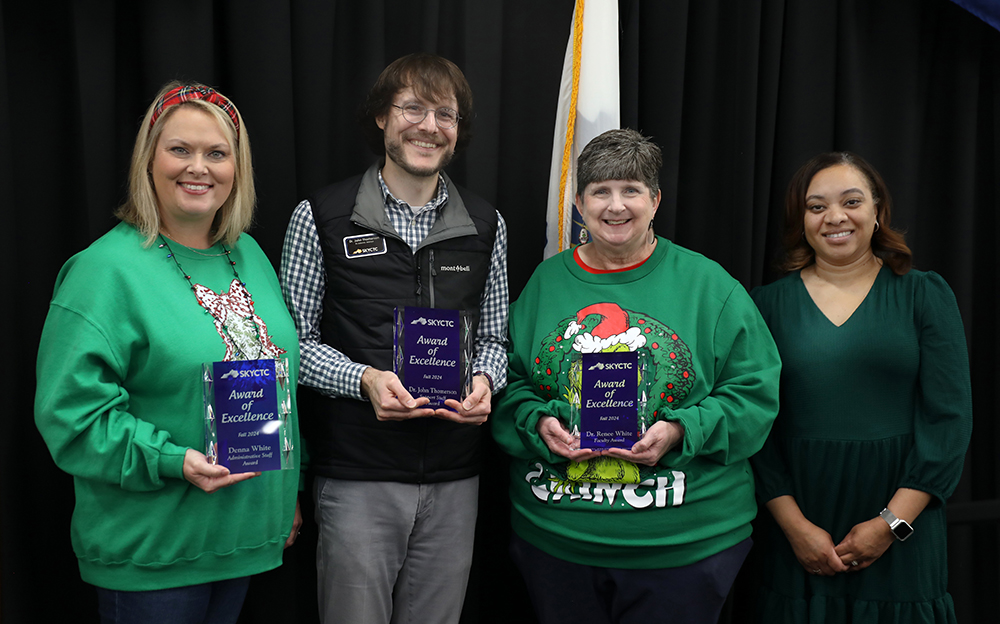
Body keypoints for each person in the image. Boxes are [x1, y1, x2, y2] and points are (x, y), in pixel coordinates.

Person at [34, 81, 302, 624]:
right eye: (179, 149)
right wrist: (170, 459)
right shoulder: (103, 271)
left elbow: (276, 385)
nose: (198, 167)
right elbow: (72, 418)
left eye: (216, 153)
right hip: (153, 553)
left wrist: (281, 494)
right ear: (149, 159)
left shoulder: (246, 254)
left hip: (241, 541)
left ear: (237, 167)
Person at [492, 128, 781, 624]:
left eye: (631, 189)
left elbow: (755, 395)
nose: (616, 205)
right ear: (579, 205)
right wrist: (538, 423)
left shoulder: (708, 285)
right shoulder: (546, 282)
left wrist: (679, 430)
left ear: (655, 200)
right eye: (600, 191)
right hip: (559, 540)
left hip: (683, 546)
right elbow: (509, 383)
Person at [280, 53, 508, 624]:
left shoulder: (486, 225)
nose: (429, 126)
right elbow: (291, 345)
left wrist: (485, 380)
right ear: (382, 117)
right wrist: (364, 380)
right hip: (358, 472)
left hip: (456, 475)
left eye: (445, 114)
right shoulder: (321, 217)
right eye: (412, 108)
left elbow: (497, 340)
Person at [750, 152, 973, 622]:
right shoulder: (764, 306)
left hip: (902, 518)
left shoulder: (924, 294)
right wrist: (795, 529)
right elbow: (756, 428)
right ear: (801, 220)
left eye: (851, 201)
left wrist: (890, 525)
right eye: (816, 207)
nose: (835, 217)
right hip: (800, 518)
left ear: (878, 212)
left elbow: (949, 421)